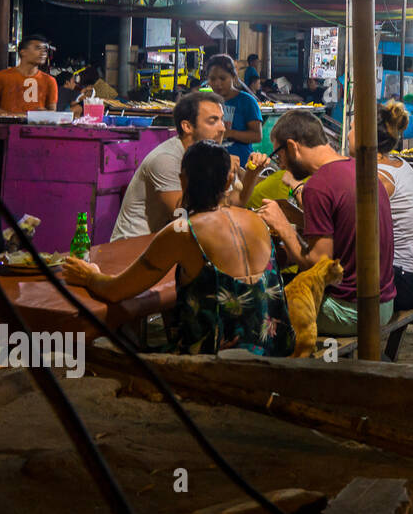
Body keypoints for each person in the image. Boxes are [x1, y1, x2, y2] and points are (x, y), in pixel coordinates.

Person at [65, 140, 295, 356]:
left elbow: (117, 291)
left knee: (105, 348)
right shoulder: (257, 221)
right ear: (229, 180)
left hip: (210, 361)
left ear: (182, 180)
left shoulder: (184, 231)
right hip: (273, 351)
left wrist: (89, 275)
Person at [257, 111, 397, 336]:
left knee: (258, 308)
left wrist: (281, 224)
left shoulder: (318, 185)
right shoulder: (360, 169)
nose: (280, 164)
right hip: (384, 304)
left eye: (278, 154)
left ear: (292, 147)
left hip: (351, 312)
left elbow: (317, 264)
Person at [355, 100, 413, 310]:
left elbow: (352, 225)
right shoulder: (399, 164)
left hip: (411, 283)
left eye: (351, 128)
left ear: (364, 135)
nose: (348, 133)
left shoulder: (377, 176)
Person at [112, 91, 232, 241]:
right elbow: (181, 217)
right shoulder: (166, 159)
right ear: (187, 126)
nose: (222, 128)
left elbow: (235, 202)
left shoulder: (210, 156)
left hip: (169, 240)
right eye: (212, 121)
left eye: (221, 120)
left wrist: (251, 175)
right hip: (134, 244)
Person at [205, 53, 264, 166]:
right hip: (212, 163)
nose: (217, 83)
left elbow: (257, 136)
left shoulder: (246, 101)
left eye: (223, 78)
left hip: (241, 163)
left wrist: (229, 133)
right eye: (212, 79)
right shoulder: (207, 101)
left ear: (233, 76)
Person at [0, 34, 57, 115]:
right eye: (38, 48)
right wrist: (12, 116)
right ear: (23, 52)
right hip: (7, 126)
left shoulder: (50, 81)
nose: (43, 53)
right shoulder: (2, 77)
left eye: (45, 50)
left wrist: (42, 114)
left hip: (37, 126)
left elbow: (52, 111)